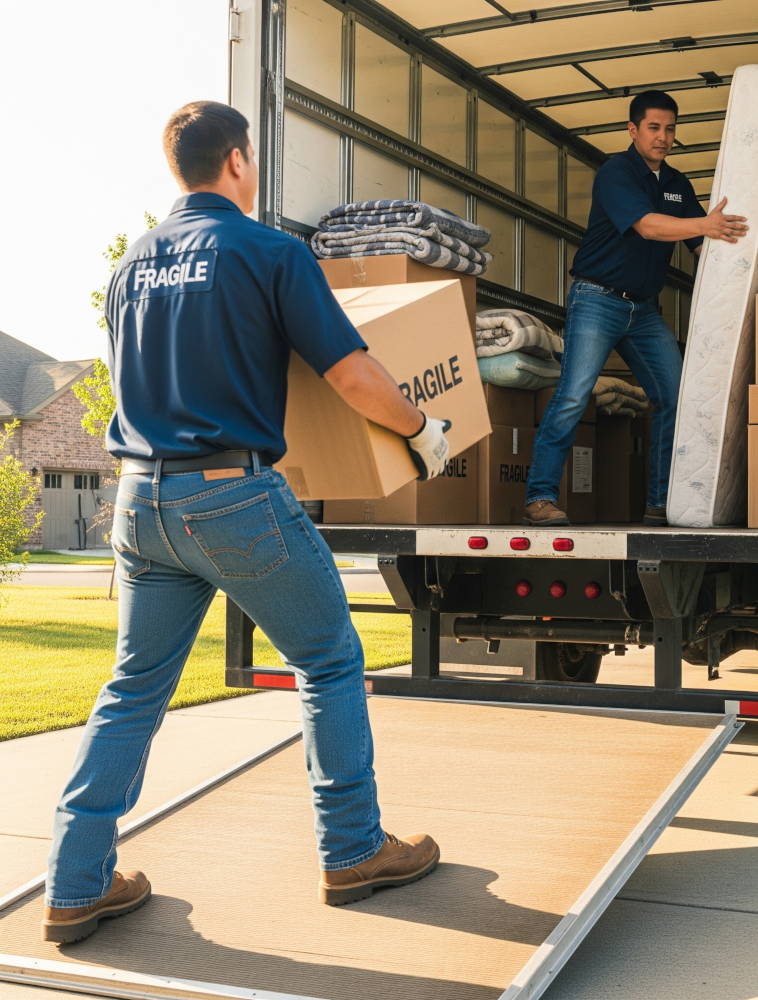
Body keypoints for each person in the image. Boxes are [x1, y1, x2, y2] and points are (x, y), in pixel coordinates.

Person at [41, 101, 448, 944]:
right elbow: (352, 376)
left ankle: (76, 884)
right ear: (236, 161)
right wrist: (421, 431)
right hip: (230, 495)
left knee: (132, 690)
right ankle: (353, 850)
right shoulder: (268, 252)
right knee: (329, 660)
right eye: (253, 158)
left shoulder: (131, 265)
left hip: (139, 501)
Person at [523, 90, 749, 527]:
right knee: (573, 395)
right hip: (596, 299)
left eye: (670, 129)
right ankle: (540, 498)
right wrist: (705, 224)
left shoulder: (678, 185)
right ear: (633, 129)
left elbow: (703, 245)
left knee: (675, 395)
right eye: (653, 128)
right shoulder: (616, 173)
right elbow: (647, 226)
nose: (663, 137)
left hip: (642, 311)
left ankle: (659, 504)